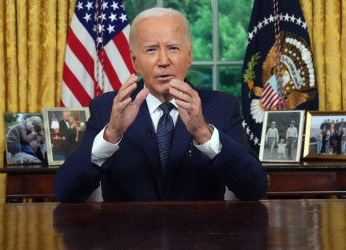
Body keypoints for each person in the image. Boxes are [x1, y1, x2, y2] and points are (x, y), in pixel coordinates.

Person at [53, 8, 267, 202]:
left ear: (190, 55)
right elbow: (65, 192)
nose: (163, 60)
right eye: (151, 50)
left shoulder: (221, 106)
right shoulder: (106, 108)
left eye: (173, 48)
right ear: (134, 60)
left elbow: (255, 189)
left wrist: (203, 132)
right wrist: (110, 135)